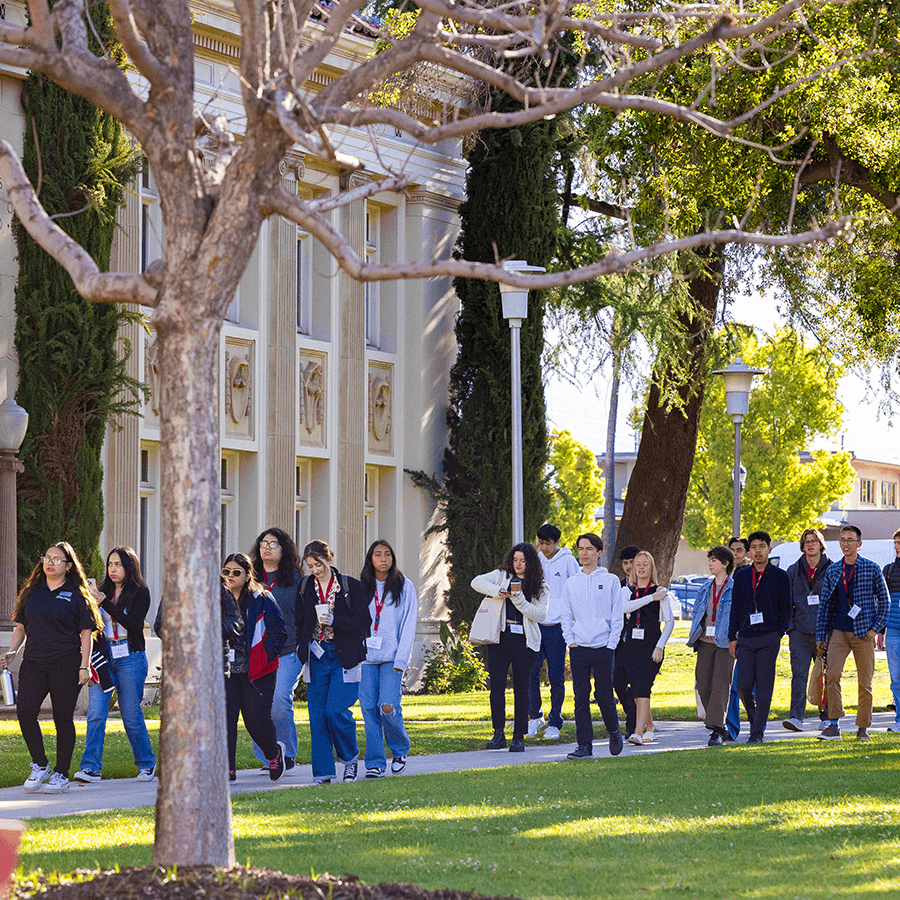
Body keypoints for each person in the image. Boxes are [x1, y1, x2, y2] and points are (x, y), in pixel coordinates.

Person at [0, 543, 101, 793]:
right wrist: (12, 652)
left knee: (62, 718)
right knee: (24, 712)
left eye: (57, 559)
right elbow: (21, 628)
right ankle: (40, 764)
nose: (50, 562)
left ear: (68, 566)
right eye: (47, 557)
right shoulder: (32, 592)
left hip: (65, 663)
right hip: (33, 662)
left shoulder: (76, 594)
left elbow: (86, 634)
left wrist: (84, 666)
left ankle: (61, 774)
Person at [74, 548, 156, 783]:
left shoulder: (141, 592)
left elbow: (133, 624)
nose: (113, 569)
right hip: (103, 657)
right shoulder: (102, 590)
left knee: (130, 715)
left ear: (129, 567)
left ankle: (146, 764)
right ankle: (91, 767)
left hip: (130, 656)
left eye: (118, 564)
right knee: (96, 714)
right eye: (110, 564)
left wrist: (104, 604)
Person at [296, 540, 371, 784]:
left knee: (336, 711)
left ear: (329, 558)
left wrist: (335, 620)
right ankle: (323, 773)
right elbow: (300, 619)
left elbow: (364, 621)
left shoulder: (350, 586)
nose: (314, 570)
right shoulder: (306, 586)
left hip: (344, 655)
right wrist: (302, 644)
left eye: (318, 564)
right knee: (317, 716)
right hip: (316, 655)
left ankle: (349, 760)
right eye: (309, 566)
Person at [473, 543, 549, 752]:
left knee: (521, 688)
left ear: (530, 563)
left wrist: (519, 600)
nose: (518, 564)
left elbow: (540, 615)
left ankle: (519, 736)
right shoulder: (501, 575)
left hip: (525, 641)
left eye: (523, 561)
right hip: (500, 638)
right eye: (515, 560)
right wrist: (498, 591)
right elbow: (476, 582)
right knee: (496, 686)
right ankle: (498, 733)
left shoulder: (540, 586)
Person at [816, 525, 889, 741]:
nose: (845, 543)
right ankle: (833, 723)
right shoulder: (832, 570)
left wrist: (875, 628)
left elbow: (885, 601)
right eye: (842, 540)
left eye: (850, 540)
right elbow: (824, 606)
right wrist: (821, 636)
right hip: (838, 630)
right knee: (833, 676)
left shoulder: (871, 568)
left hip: (863, 632)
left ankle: (863, 727)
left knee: (865, 682)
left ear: (859, 543)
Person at [221, 552, 287, 781]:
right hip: (226, 669)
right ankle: (227, 768)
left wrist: (265, 655)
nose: (230, 576)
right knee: (226, 719)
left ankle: (273, 753)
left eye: (236, 572)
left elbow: (279, 631)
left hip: (257, 671)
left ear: (248, 574)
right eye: (226, 572)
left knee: (254, 718)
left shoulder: (262, 598)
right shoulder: (216, 600)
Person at [559, 533, 625, 759]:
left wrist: (611, 644)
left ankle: (614, 731)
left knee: (605, 694)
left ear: (599, 552)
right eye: (580, 549)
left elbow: (617, 616)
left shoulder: (610, 581)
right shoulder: (571, 583)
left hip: (603, 647)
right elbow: (565, 615)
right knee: (580, 696)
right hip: (579, 647)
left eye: (588, 549)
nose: (584, 553)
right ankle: (584, 745)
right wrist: (571, 641)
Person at [359, 540, 418, 777]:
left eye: (387, 554)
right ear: (370, 559)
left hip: (392, 658)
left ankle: (400, 748)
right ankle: (374, 761)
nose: (383, 559)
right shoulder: (360, 586)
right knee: (369, 709)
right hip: (365, 658)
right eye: (377, 554)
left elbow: (409, 624)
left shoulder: (404, 586)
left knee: (387, 706)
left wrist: (401, 661)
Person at [728, 530, 791, 743]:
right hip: (745, 637)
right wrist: (732, 636)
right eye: (753, 547)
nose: (757, 551)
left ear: (769, 549)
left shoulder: (780, 576)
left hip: (769, 638)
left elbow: (786, 608)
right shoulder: (742, 575)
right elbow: (735, 607)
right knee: (743, 685)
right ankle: (756, 721)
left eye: (761, 546)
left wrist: (779, 633)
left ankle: (757, 733)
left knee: (764, 686)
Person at [249, 528, 303, 774]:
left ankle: (288, 753)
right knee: (258, 705)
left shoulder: (295, 580)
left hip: (288, 650)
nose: (267, 547)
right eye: (264, 543)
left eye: (274, 543)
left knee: (280, 699)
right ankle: (269, 755)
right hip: (256, 653)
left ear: (284, 549)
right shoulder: (249, 578)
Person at [614, 550, 674, 745]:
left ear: (651, 568)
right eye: (637, 564)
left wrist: (660, 646)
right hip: (631, 646)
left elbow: (669, 622)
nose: (640, 567)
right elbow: (625, 608)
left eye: (644, 564)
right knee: (637, 690)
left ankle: (638, 733)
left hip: (651, 646)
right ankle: (650, 727)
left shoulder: (661, 590)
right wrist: (650, 598)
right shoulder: (627, 590)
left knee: (643, 687)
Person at [528, 524, 580, 740]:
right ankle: (534, 717)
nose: (543, 547)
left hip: (557, 628)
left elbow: (575, 591)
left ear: (556, 542)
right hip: (536, 624)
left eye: (547, 543)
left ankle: (555, 722)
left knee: (556, 676)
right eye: (540, 542)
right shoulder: (535, 560)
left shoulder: (568, 561)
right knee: (531, 672)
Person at [782, 529, 831, 732]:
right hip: (799, 632)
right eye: (806, 542)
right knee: (799, 675)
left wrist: (830, 631)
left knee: (826, 676)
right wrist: (791, 628)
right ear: (802, 546)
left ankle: (827, 717)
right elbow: (785, 603)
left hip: (825, 632)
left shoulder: (832, 569)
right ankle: (796, 718)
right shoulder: (793, 571)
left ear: (821, 544)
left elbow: (836, 602)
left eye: (814, 541)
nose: (810, 545)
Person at [687, 546, 735, 746]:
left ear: (725, 563)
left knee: (720, 686)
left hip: (724, 644)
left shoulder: (735, 587)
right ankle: (719, 727)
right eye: (709, 560)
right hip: (705, 641)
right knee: (703, 684)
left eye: (714, 560)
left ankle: (716, 730)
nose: (710, 564)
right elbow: (698, 613)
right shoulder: (705, 587)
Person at [881, 528, 900, 733]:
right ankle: (899, 719)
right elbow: (883, 603)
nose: (896, 547)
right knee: (896, 677)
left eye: (899, 543)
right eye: (895, 543)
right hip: (893, 629)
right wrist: (881, 630)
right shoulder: (888, 570)